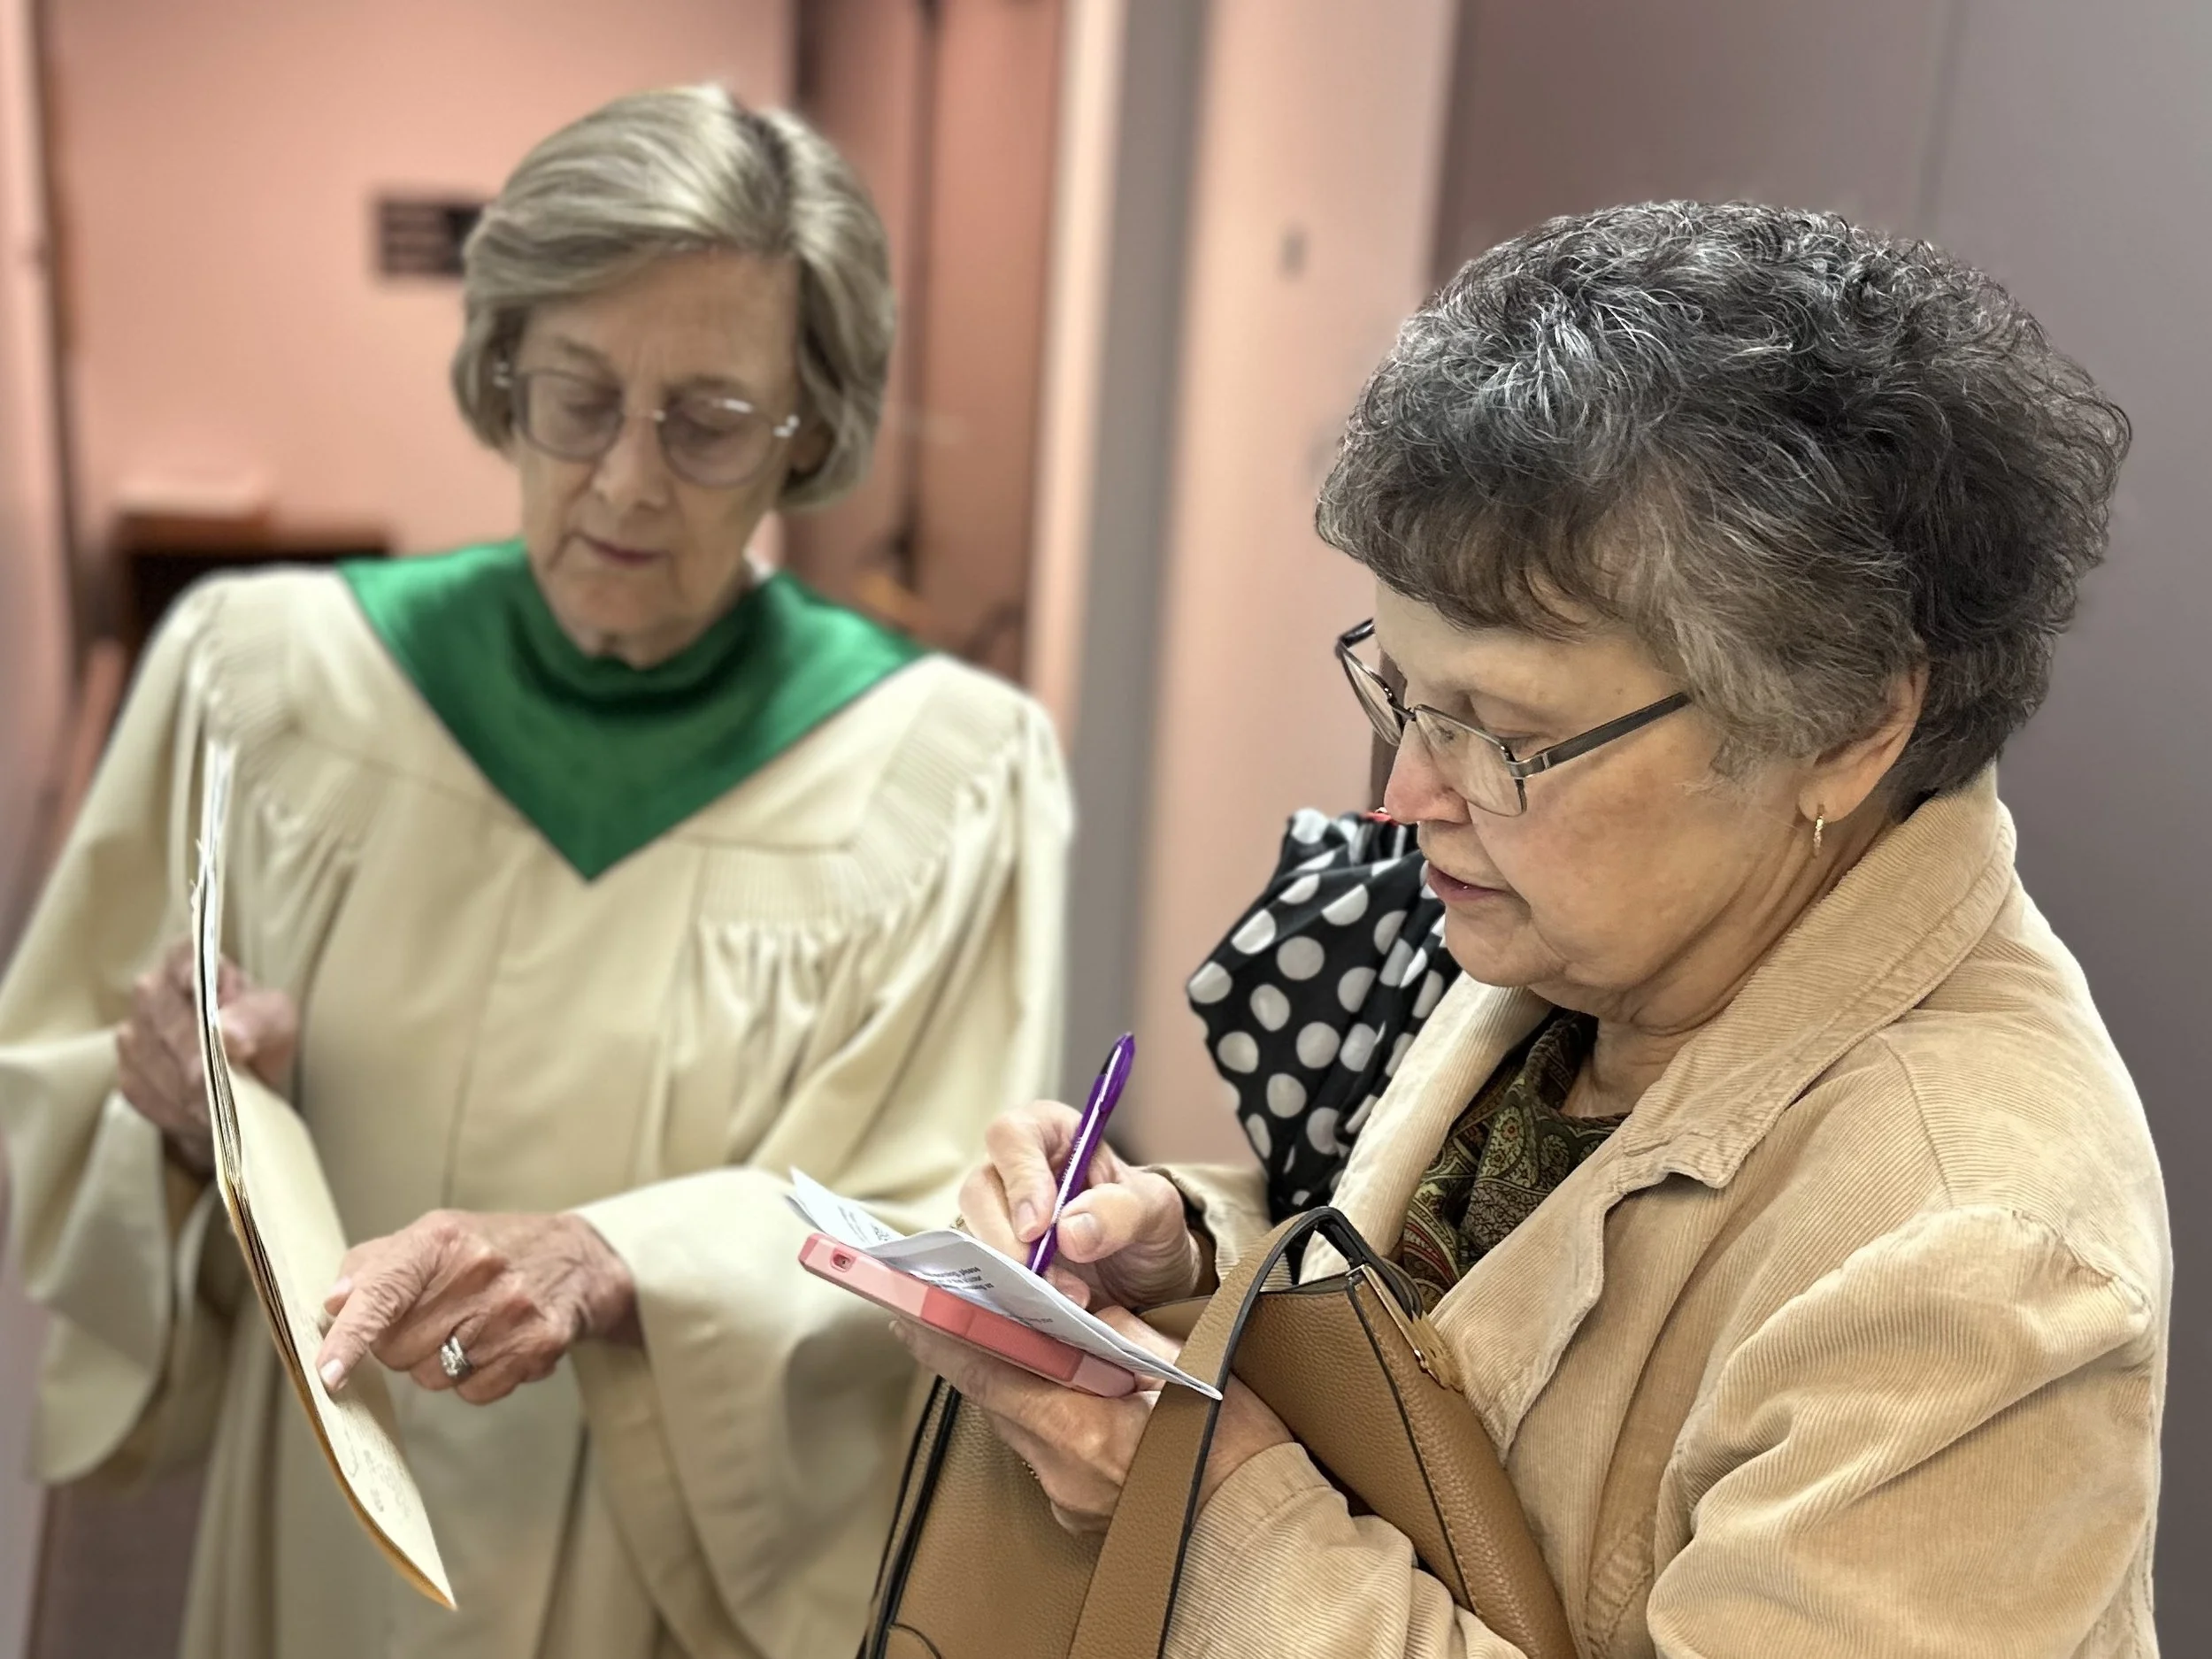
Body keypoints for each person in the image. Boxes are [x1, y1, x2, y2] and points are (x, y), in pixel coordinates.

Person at [897, 203, 2170, 1656]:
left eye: (1506, 731)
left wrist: (1193, 1502)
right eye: (1403, 695)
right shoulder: (1617, 930)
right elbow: (1475, 1300)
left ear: (1846, 722)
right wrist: (1186, 1250)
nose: (1405, 795)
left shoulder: (1979, 1260)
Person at [0, 85, 1068, 1659]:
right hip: (328, 1516)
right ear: (500, 380)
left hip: (658, 1595)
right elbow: (56, 1088)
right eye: (576, 400)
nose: (629, 483)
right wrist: (175, 1100)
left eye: (708, 425)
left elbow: (925, 1225)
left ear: (810, 436)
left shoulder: (941, 778)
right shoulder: (268, 686)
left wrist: (620, 1256)